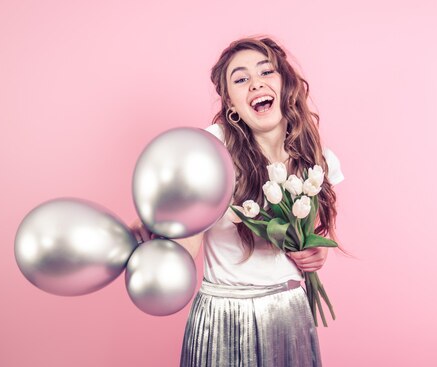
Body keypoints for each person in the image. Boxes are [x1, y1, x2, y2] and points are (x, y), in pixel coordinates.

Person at [131, 36, 344, 367]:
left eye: (266, 72)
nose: (255, 83)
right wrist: (160, 236)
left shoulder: (317, 157)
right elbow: (189, 240)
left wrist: (317, 252)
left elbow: (309, 236)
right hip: (224, 315)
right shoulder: (214, 149)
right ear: (231, 103)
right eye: (241, 79)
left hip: (288, 312)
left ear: (285, 83)